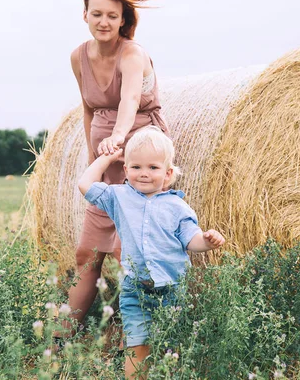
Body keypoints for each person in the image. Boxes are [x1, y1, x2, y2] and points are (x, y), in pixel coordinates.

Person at [78, 126, 225, 379]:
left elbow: (191, 240)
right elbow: (85, 184)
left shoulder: (178, 207)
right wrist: (109, 157)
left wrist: (207, 241)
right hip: (136, 288)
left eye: (153, 168)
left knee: (172, 347)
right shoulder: (119, 197)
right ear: (126, 170)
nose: (144, 174)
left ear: (168, 174)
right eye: (136, 167)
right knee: (137, 346)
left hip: (173, 288)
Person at [65, 0, 169, 332]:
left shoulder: (132, 53)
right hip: (106, 156)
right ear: (85, 16)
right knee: (87, 253)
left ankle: (141, 334)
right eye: (97, 14)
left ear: (123, 19)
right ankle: (60, 336)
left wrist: (119, 139)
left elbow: (128, 101)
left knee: (130, 254)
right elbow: (88, 110)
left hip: (139, 153)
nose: (104, 21)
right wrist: (94, 154)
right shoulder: (79, 57)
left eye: (112, 15)